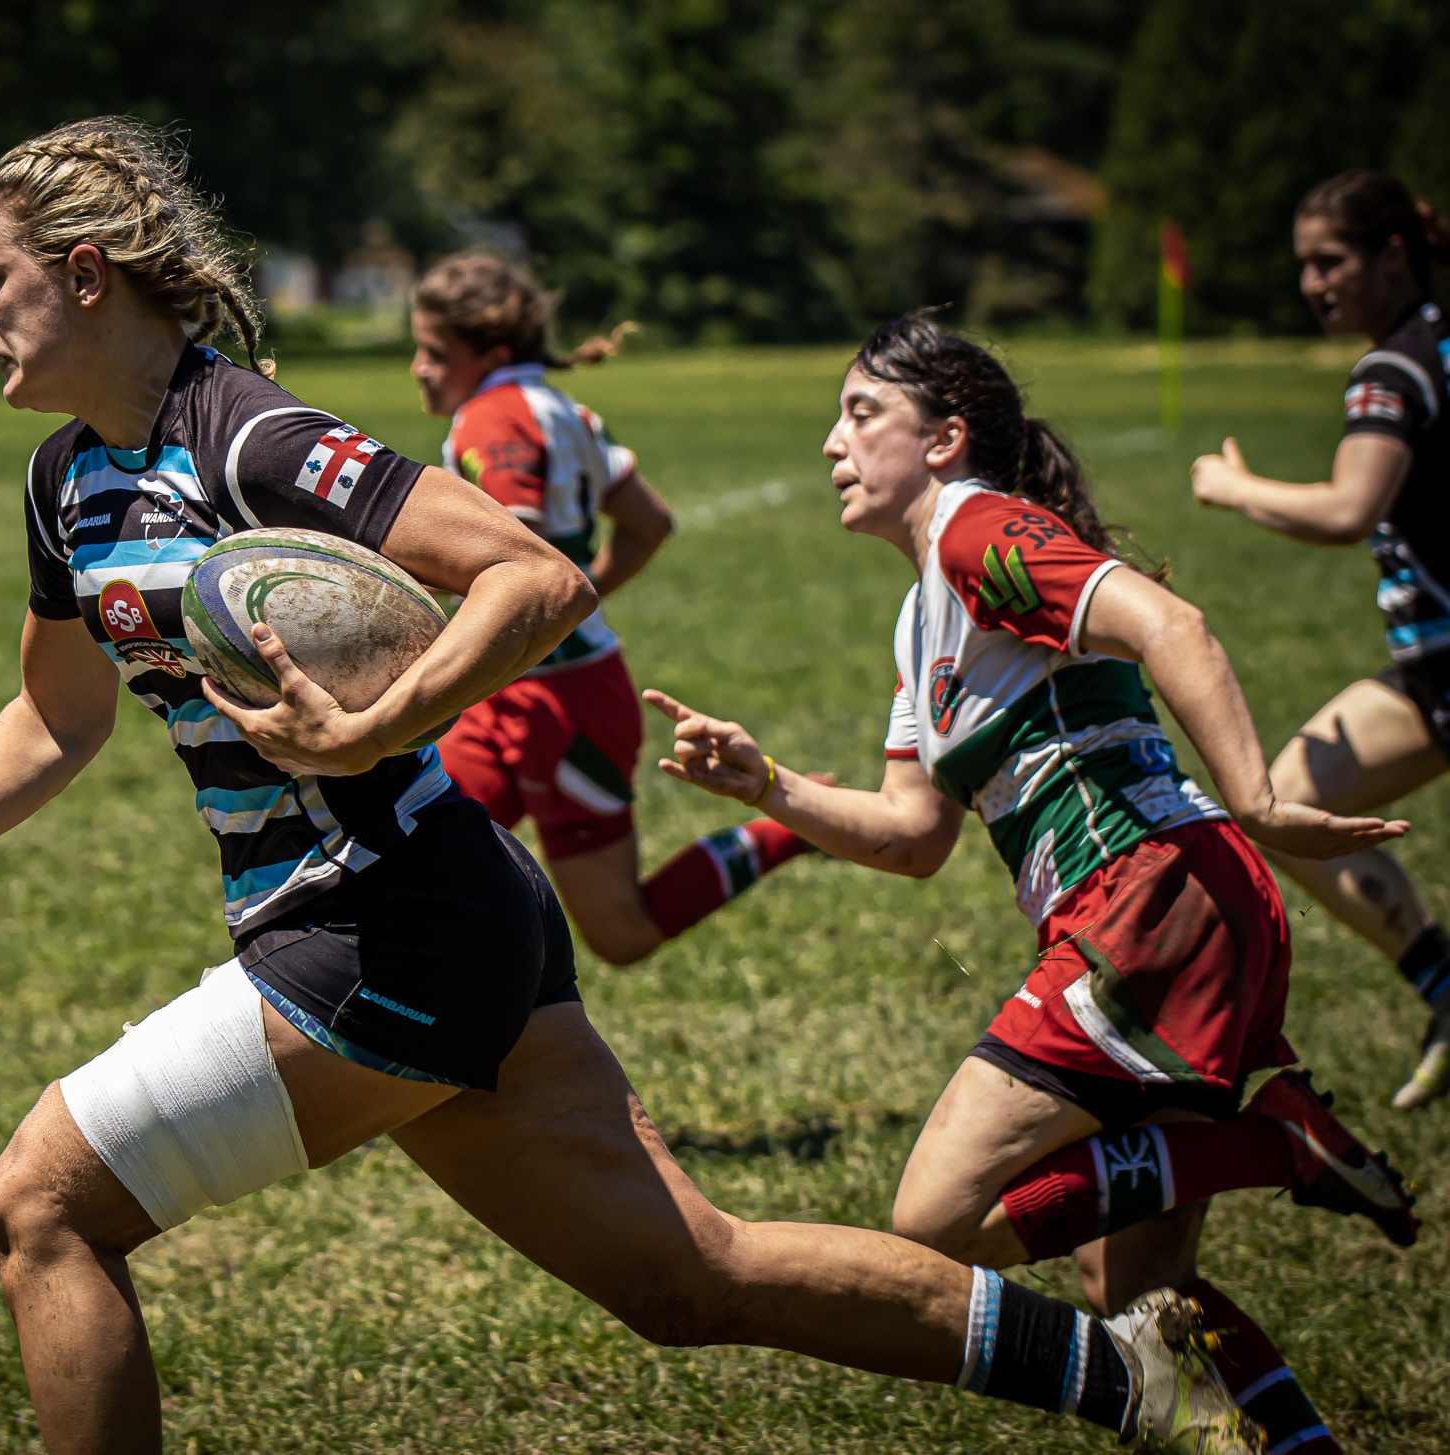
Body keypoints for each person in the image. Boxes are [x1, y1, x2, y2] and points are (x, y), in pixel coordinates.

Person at [0, 122, 1263, 1454]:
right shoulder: (65, 484)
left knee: (37, 1209)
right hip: (415, 915)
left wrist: (381, 722)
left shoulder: (254, 440)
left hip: (383, 921)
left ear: (86, 275)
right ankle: (1139, 1376)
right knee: (690, 1279)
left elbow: (533, 575)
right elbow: (57, 710)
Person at [650, 310, 1422, 1455]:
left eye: (860, 413)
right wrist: (767, 783)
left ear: (943, 438)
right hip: (1175, 907)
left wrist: (1257, 798)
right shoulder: (923, 612)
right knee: (1140, 1305)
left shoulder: (977, 529)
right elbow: (911, 836)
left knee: (932, 1218)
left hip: (1147, 899)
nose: (830, 442)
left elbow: (1169, 624)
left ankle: (1276, 1146)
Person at [410, 256, 816, 966]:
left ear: (492, 355)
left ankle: (796, 827)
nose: (419, 368)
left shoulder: (493, 418)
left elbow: (519, 544)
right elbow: (648, 522)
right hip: (508, 686)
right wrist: (572, 601)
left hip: (563, 709)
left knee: (618, 933)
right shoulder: (564, 408)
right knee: (417, 868)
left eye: (435, 353)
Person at [1188, 170, 1450, 1110]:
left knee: (1280, 810)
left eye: (1330, 261)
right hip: (1430, 677)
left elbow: (1348, 508)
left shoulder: (1393, 371)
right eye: (1304, 265)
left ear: (1392, 254)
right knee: (1284, 806)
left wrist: (1232, 488)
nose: (1313, 284)